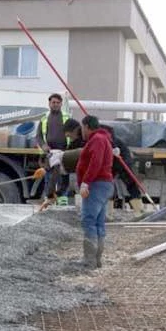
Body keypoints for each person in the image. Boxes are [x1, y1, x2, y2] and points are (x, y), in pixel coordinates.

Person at [64, 118, 145, 219]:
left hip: (119, 153)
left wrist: (113, 146)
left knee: (129, 180)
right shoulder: (79, 140)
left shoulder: (96, 130)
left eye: (70, 136)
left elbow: (109, 131)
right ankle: (108, 213)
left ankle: (139, 211)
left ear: (75, 130)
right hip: (107, 158)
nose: (70, 139)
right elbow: (71, 151)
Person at [74, 115, 113, 269]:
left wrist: (86, 182)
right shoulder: (102, 139)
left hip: (97, 184)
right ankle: (96, 260)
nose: (81, 131)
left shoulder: (97, 139)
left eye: (82, 128)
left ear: (86, 126)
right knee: (98, 222)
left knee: (89, 220)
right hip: (102, 184)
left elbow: (95, 162)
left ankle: (89, 260)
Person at [37, 93, 70, 205]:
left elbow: (74, 133)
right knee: (49, 177)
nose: (55, 104)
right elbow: (39, 136)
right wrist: (43, 146)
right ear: (49, 104)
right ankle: (49, 199)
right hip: (49, 153)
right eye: (53, 102)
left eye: (57, 102)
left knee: (63, 176)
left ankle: (62, 199)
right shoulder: (44, 119)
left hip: (64, 152)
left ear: (61, 104)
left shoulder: (67, 118)